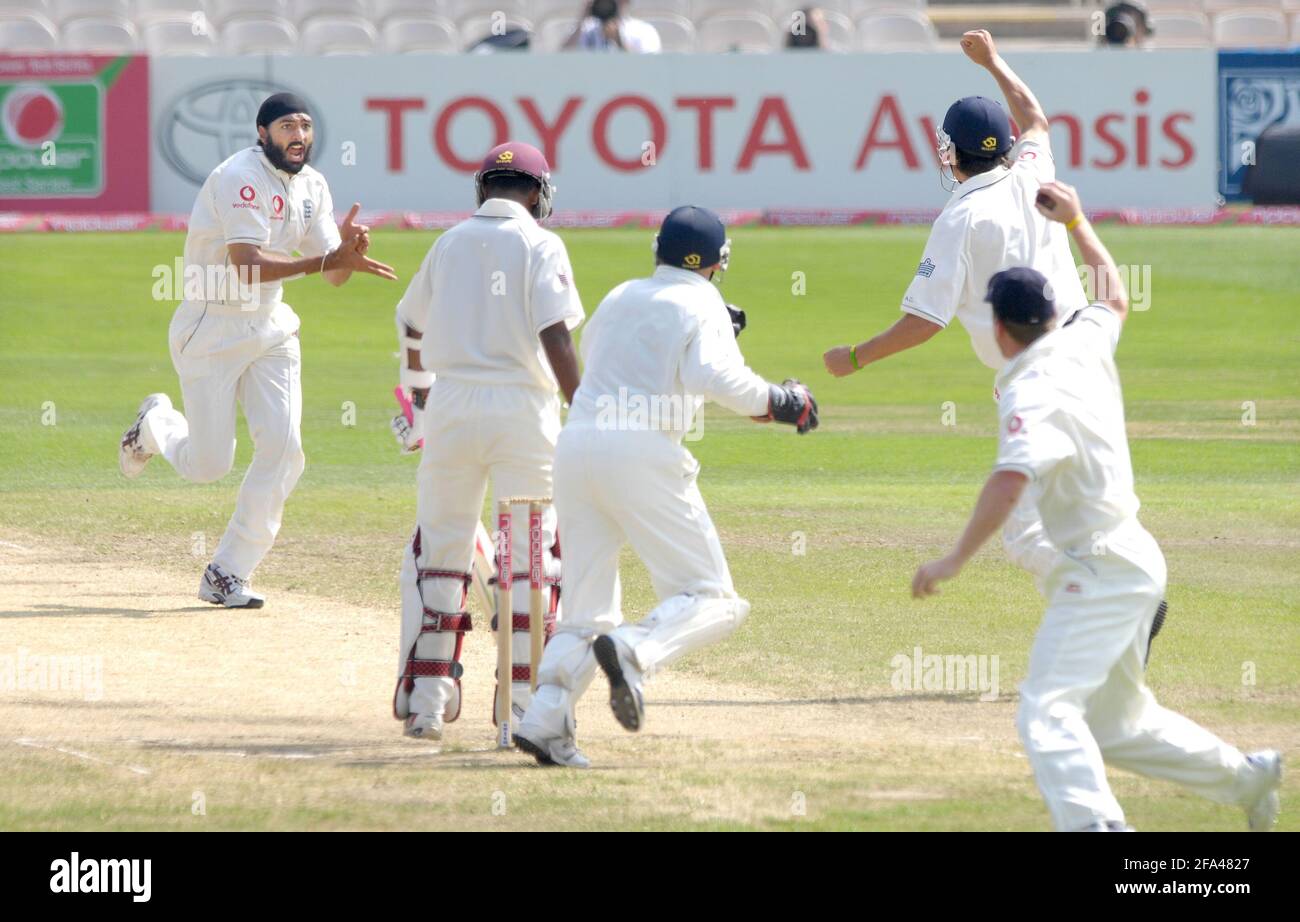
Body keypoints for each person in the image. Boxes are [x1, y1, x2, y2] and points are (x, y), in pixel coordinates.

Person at [912, 181, 1282, 832]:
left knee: (1046, 708)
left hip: (1099, 567)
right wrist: (1078, 221)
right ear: (1050, 313)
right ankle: (1248, 779)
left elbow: (1008, 481)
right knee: (1114, 724)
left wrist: (950, 561)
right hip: (1135, 556)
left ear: (998, 330)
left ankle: (1097, 828)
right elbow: (1113, 293)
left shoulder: (1027, 386)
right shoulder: (1083, 338)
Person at [514, 206, 819, 768]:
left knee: (585, 610)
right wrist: (782, 401)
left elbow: (655, 371)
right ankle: (635, 652)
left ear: (658, 248)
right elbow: (715, 379)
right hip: (641, 452)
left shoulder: (620, 295)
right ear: (719, 263)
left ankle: (544, 720)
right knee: (714, 598)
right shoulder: (702, 302)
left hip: (578, 445)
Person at [823, 29, 1092, 594]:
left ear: (954, 151)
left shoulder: (960, 218)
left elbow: (926, 319)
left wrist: (857, 356)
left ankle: (1107, 592)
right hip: (1087, 348)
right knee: (1074, 496)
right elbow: (1036, 116)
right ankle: (1110, 609)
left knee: (1022, 530)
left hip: (1033, 371)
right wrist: (994, 62)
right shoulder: (1032, 170)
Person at [118, 93, 396, 609]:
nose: (299, 134)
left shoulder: (312, 185)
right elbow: (246, 264)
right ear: (262, 132)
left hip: (271, 328)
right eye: (287, 125)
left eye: (306, 125)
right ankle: (156, 424)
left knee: (285, 450)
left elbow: (332, 274)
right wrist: (322, 262)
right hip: (211, 324)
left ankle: (227, 571)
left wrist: (348, 253)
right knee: (208, 465)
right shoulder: (238, 177)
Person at [392, 141, 583, 742]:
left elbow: (410, 322)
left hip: (452, 406)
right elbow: (556, 336)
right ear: (537, 193)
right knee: (529, 563)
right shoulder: (541, 243)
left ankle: (427, 701)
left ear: (483, 188)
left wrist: (420, 395)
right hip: (522, 411)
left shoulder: (448, 241)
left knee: (443, 553)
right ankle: (521, 708)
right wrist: (585, 406)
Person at [562, 0, 661, 53]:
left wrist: (619, 41)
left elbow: (648, 68)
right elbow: (560, 59)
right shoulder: (585, 29)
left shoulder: (644, 31)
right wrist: (582, 19)